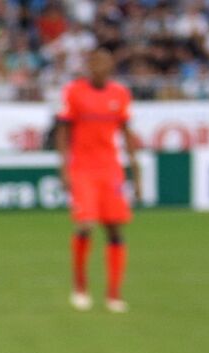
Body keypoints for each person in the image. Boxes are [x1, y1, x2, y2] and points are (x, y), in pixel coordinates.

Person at [56, 45, 140, 313]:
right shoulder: (74, 92)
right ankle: (80, 286)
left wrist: (135, 170)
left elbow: (126, 132)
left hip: (110, 169)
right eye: (94, 63)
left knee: (115, 228)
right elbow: (63, 130)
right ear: (89, 66)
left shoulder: (121, 94)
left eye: (104, 63)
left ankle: (114, 293)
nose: (99, 68)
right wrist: (64, 167)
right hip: (82, 168)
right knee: (86, 224)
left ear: (111, 67)